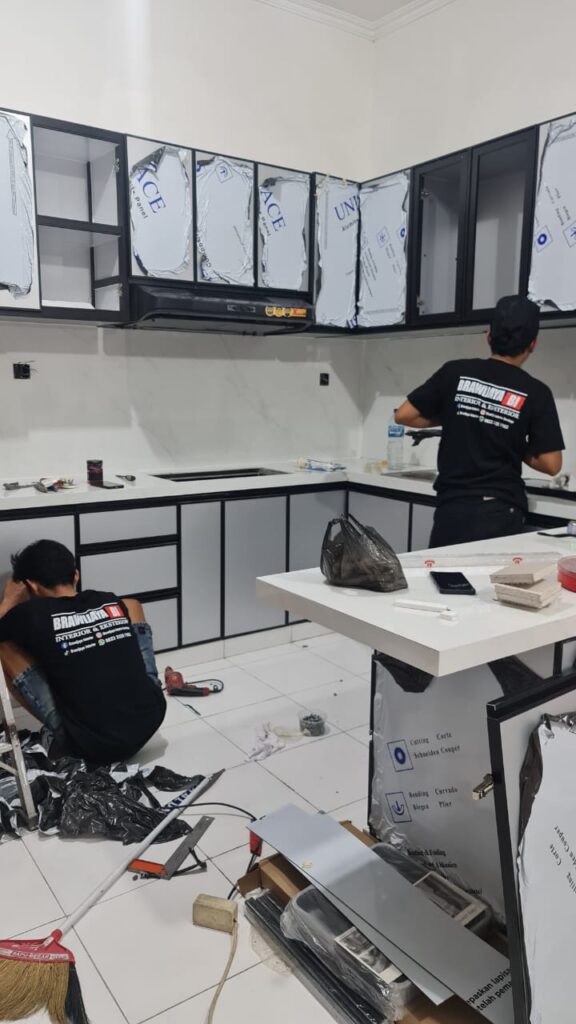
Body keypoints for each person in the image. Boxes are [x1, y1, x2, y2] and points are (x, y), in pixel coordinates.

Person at [395, 295, 565, 548]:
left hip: (452, 509)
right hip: (502, 510)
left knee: (444, 572)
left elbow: (404, 415)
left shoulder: (455, 371)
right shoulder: (537, 392)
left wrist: (460, 415)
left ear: (488, 336)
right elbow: (551, 464)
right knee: (490, 576)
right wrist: (510, 437)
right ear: (533, 344)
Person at [0, 539, 166, 763]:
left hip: (91, 746)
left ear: (31, 586)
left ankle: (63, 730)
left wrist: (9, 599)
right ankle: (146, 692)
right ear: (76, 575)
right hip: (151, 719)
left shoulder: (29, 615)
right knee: (131, 605)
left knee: (4, 646)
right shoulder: (107, 599)